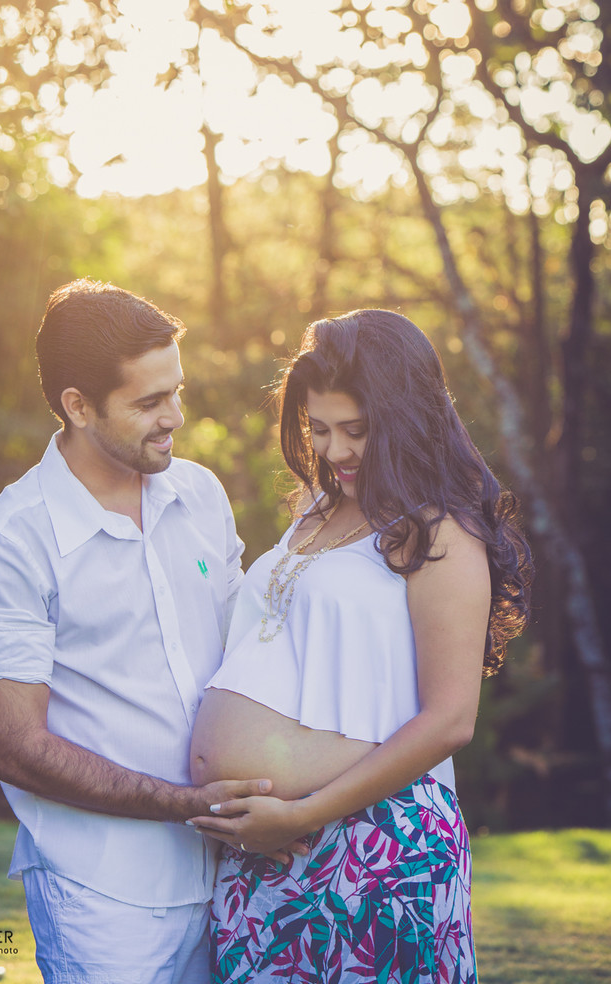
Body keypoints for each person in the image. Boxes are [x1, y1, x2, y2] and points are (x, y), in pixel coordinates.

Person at [188, 309, 532, 984]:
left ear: (406, 420)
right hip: (270, 847)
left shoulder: (440, 536)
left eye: (355, 430)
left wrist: (300, 812)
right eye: (319, 429)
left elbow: (450, 718)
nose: (335, 450)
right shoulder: (317, 509)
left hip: (377, 846)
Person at [0, 278, 273, 984]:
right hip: (104, 900)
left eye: (176, 392)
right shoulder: (8, 542)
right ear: (77, 405)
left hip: (238, 881)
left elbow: (249, 656)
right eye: (149, 403)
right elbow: (18, 749)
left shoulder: (200, 495)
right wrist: (185, 805)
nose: (174, 418)